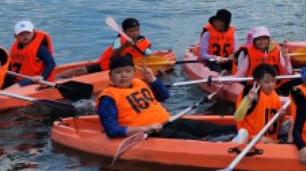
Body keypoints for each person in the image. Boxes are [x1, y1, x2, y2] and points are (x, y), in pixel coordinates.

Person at [97, 54, 235, 139]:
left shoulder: (138, 82)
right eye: (118, 72)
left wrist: (153, 80)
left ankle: (242, 130)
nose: (123, 75)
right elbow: (112, 130)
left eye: (128, 71)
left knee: (209, 128)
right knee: (193, 140)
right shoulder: (108, 98)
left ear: (133, 72)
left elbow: (164, 96)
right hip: (151, 133)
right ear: (110, 76)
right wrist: (144, 129)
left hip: (168, 121)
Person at [57, 17, 151, 79]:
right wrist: (125, 46)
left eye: (137, 30)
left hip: (122, 69)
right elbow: (115, 54)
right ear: (124, 31)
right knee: (81, 70)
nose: (135, 33)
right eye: (131, 31)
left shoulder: (141, 41)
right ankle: (56, 77)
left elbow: (149, 55)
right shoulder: (118, 41)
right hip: (108, 65)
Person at [233, 64, 285, 144]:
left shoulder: (274, 95)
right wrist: (248, 100)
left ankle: (289, 146)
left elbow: (279, 123)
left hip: (271, 136)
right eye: (266, 82)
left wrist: (282, 116)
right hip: (252, 136)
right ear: (257, 82)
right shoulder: (250, 92)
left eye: (273, 81)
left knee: (292, 123)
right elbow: (237, 117)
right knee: (264, 140)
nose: (271, 85)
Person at [234, 27, 293, 91]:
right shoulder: (249, 54)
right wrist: (231, 81)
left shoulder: (277, 51)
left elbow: (288, 73)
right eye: (258, 39)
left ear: (268, 40)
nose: (262, 41)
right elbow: (241, 74)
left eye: (264, 38)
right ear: (254, 41)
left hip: (277, 85)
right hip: (258, 87)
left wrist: (286, 59)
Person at [3, 20, 56, 88]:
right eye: (21, 34)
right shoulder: (15, 47)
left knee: (12, 88)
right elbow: (11, 64)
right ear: (15, 36)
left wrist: (42, 76)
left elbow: (51, 64)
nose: (25, 36)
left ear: (33, 32)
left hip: (34, 79)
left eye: (28, 33)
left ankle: (3, 95)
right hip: (19, 77)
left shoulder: (40, 48)